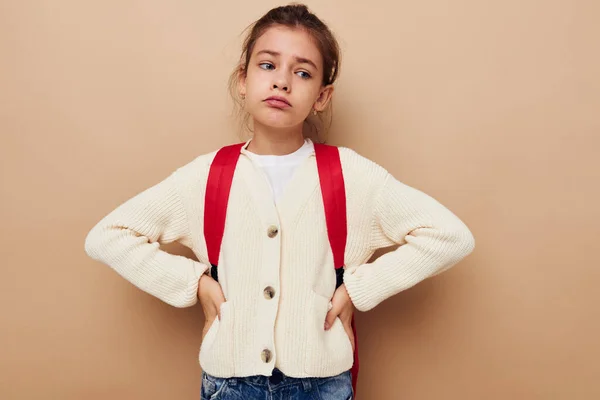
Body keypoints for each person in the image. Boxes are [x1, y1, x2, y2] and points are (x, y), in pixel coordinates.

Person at [84, 4, 475, 399]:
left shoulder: (349, 175)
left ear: (322, 96)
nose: (282, 82)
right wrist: (195, 284)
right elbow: (108, 236)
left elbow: (450, 236)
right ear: (243, 79)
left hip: (321, 385)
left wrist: (359, 289)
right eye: (267, 65)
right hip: (229, 385)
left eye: (302, 72)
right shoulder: (206, 176)